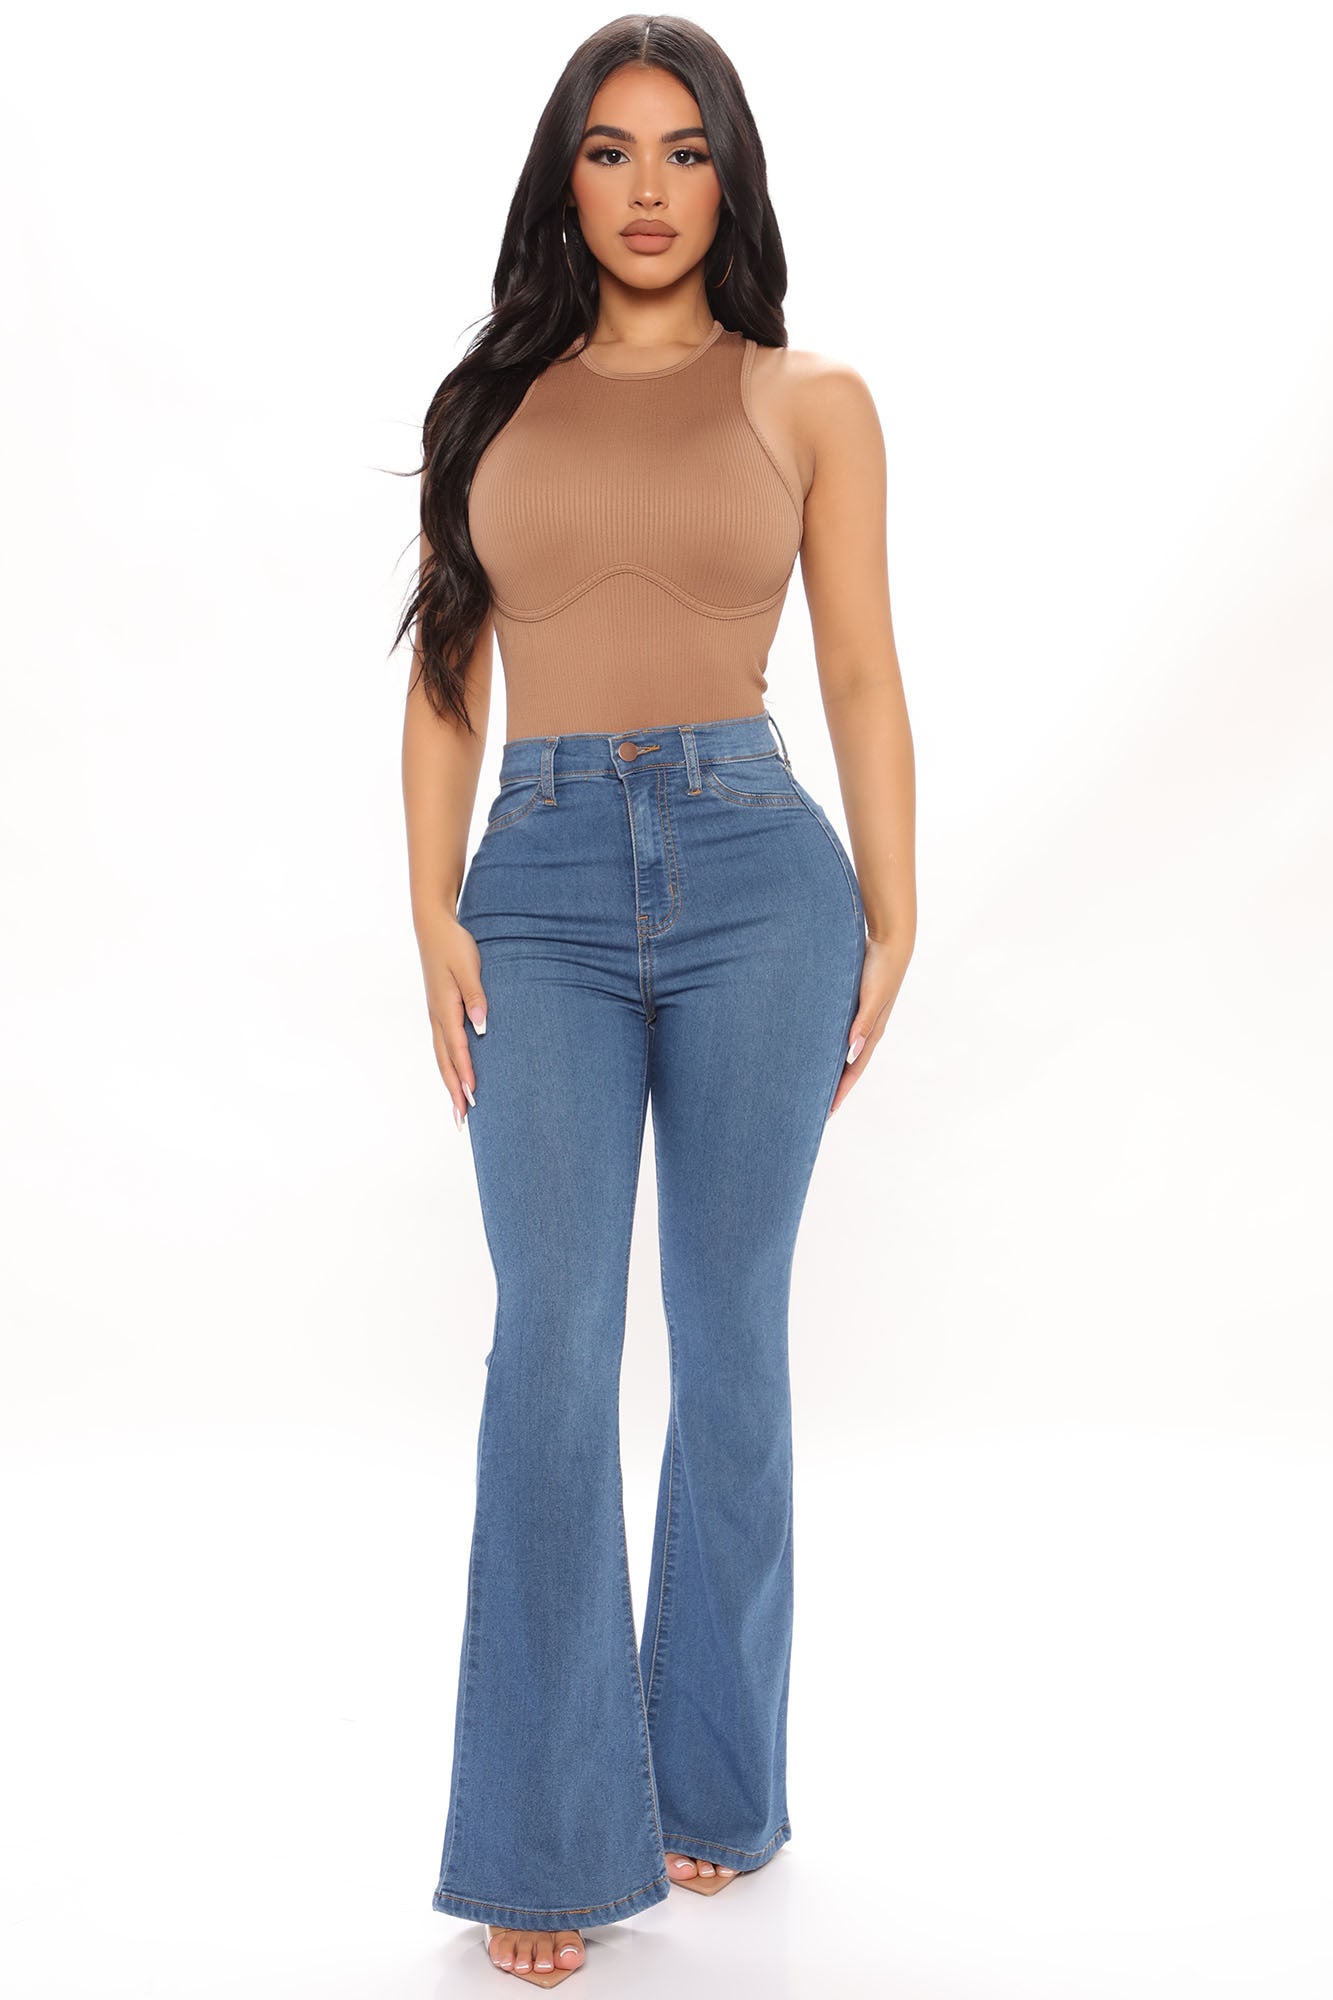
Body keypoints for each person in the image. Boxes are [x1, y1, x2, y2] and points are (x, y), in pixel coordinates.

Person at [396, 16, 916, 1987]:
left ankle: (711, 1781)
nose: (645, 187)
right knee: (551, 1344)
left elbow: (856, 668)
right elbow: (445, 680)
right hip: (529, 886)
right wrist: (426, 912)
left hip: (755, 880)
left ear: (729, 180)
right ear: (565, 177)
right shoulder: (489, 406)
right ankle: (544, 1834)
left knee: (730, 1339)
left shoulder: (808, 399)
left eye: (683, 151)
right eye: (609, 150)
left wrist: (895, 904)